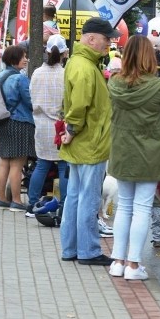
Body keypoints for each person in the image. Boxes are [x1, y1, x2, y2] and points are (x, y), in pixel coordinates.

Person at [106, 34, 160, 281]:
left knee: (124, 206)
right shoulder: (158, 86)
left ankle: (117, 262)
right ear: (150, 56)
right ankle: (134, 266)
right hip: (150, 153)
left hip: (122, 150)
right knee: (142, 208)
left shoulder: (113, 84)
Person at [58, 17, 116, 266]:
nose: (108, 44)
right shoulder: (85, 67)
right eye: (105, 40)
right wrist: (72, 127)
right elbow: (80, 104)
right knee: (88, 198)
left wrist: (71, 129)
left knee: (74, 196)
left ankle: (71, 248)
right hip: (90, 142)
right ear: (91, 38)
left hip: (82, 142)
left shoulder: (78, 62)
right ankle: (88, 251)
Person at [26, 34, 69, 218]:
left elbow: (31, 96)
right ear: (64, 53)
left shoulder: (36, 73)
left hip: (41, 124)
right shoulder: (66, 74)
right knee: (63, 166)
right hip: (60, 126)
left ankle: (32, 202)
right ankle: (64, 203)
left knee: (41, 164)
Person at [0, 45, 35, 211]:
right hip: (19, 122)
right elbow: (30, 102)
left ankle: (1, 200)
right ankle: (16, 201)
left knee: (4, 162)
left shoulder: (0, 76)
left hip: (2, 122)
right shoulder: (20, 78)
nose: (26, 59)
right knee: (17, 164)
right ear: (14, 58)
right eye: (23, 56)